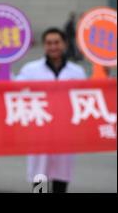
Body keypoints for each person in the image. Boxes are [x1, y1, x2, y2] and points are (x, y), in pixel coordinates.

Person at [15, 28, 86, 193]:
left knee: (62, 179)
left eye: (57, 42)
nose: (53, 46)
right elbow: (11, 90)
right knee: (40, 180)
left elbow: (87, 97)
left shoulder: (78, 72)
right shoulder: (30, 70)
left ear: (65, 44)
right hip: (40, 133)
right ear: (44, 46)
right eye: (49, 43)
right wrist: (1, 72)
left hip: (66, 134)